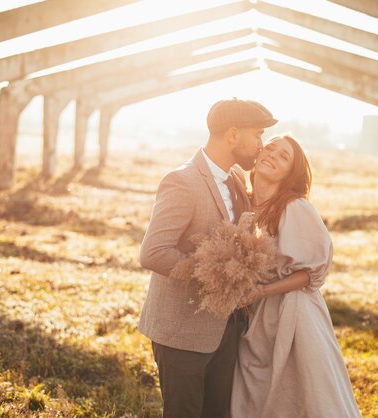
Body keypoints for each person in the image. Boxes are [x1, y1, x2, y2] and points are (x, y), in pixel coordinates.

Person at [138, 98, 277, 418]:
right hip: (182, 332)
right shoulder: (182, 181)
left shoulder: (238, 179)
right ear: (232, 135)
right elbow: (153, 252)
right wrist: (218, 276)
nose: (261, 145)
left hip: (227, 330)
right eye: (257, 135)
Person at [231, 134, 362, 417]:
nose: (272, 156)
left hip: (294, 311)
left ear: (291, 172)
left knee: (299, 389)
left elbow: (310, 273)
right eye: (270, 149)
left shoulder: (294, 207)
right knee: (257, 387)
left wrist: (262, 292)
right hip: (258, 313)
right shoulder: (245, 203)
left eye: (283, 157)